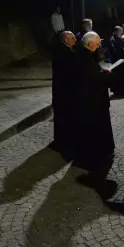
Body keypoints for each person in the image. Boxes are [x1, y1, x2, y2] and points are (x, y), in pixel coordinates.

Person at [73, 32, 115, 181]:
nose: (98, 46)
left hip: (92, 99)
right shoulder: (84, 57)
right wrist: (106, 74)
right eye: (97, 44)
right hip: (93, 101)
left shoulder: (84, 54)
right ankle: (97, 153)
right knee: (96, 127)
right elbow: (93, 79)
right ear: (90, 44)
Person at [51, 31, 77, 159]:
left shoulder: (61, 52)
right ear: (66, 40)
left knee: (61, 116)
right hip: (65, 91)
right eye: (72, 38)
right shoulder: (66, 54)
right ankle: (64, 142)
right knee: (65, 116)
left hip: (60, 91)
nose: (75, 40)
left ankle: (60, 140)